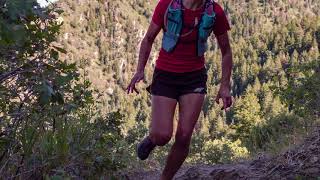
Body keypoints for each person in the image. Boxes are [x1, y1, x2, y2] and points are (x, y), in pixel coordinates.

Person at [126, 0, 233, 179]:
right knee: (162, 135)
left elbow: (226, 51)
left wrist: (224, 86)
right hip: (165, 75)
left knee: (184, 136)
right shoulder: (166, 5)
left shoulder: (215, 12)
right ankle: (153, 139)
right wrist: (139, 70)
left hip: (194, 78)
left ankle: (165, 178)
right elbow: (149, 38)